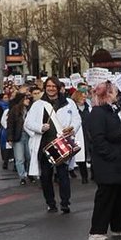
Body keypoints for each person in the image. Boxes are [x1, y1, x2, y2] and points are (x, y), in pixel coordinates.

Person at [24, 76, 82, 214]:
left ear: (58, 88)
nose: (51, 88)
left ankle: (65, 203)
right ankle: (50, 203)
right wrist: (40, 127)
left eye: (53, 86)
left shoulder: (68, 103)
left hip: (61, 144)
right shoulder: (38, 104)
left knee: (63, 174)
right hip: (44, 145)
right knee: (46, 176)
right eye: (48, 86)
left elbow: (77, 118)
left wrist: (72, 128)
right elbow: (27, 123)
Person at [84, 81, 121, 240]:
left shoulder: (110, 111)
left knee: (120, 195)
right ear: (107, 94)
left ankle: (119, 226)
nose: (117, 95)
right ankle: (97, 230)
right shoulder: (98, 113)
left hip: (117, 161)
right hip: (107, 163)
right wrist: (114, 154)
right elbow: (98, 140)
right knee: (105, 197)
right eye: (114, 92)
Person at [7, 90, 31, 185]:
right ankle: (22, 177)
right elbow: (10, 124)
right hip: (19, 136)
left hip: (29, 136)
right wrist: (10, 138)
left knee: (29, 157)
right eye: (26, 99)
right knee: (19, 158)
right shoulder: (15, 110)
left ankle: (30, 173)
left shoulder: (30, 109)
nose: (28, 100)